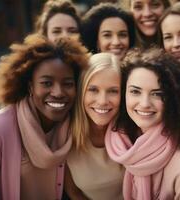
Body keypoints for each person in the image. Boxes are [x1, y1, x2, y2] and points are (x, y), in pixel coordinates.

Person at [0, 34, 89, 199]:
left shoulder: (75, 126)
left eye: (68, 84)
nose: (58, 92)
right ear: (30, 87)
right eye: (46, 83)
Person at [105, 48, 180, 200]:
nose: (144, 103)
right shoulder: (122, 138)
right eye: (135, 91)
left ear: (172, 99)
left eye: (157, 94)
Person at [64, 53, 124, 200]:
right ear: (81, 92)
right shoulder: (64, 137)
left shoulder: (133, 133)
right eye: (93, 90)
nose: (102, 101)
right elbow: (73, 193)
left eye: (113, 91)